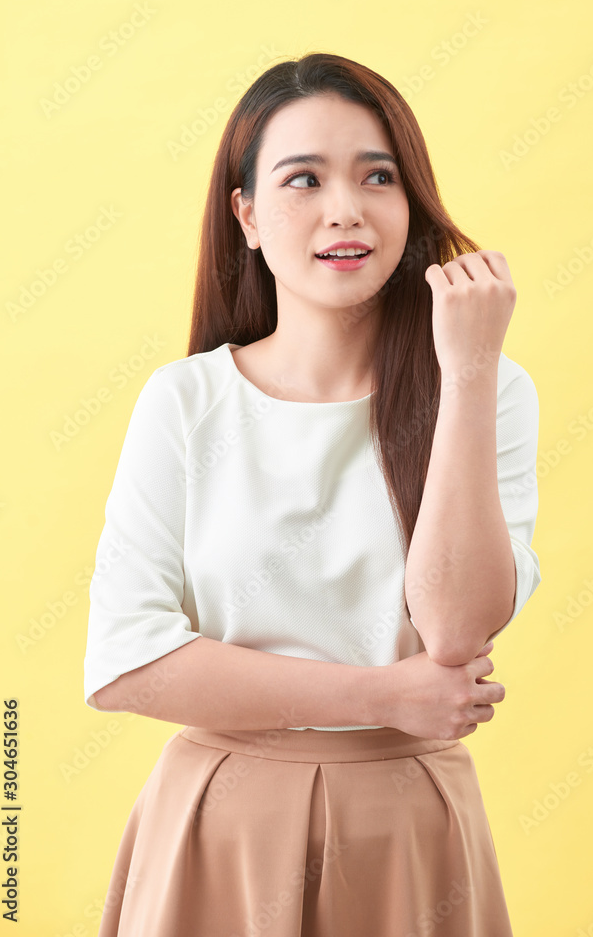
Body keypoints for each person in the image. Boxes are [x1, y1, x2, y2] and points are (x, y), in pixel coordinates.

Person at [83, 51, 541, 936]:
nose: (347, 209)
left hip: (410, 831)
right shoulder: (186, 402)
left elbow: (456, 630)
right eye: (304, 179)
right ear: (247, 215)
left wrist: (471, 368)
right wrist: (381, 697)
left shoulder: (488, 387)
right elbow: (126, 663)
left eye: (379, 176)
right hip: (217, 826)